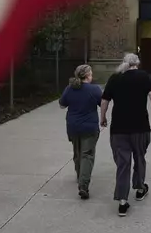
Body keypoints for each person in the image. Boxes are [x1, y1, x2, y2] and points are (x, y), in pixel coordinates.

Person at [100, 53, 151, 217]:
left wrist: (103, 117)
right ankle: (140, 188)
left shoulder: (115, 78)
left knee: (123, 164)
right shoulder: (144, 77)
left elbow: (105, 100)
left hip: (119, 129)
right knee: (140, 157)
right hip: (140, 127)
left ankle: (122, 201)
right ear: (137, 64)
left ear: (125, 63)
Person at [59, 64, 102, 200]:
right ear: (88, 75)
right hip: (89, 127)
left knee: (77, 152)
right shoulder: (94, 89)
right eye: (91, 73)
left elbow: (61, 104)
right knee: (87, 155)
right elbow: (103, 103)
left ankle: (80, 176)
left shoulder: (70, 88)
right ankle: (83, 185)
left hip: (73, 126)